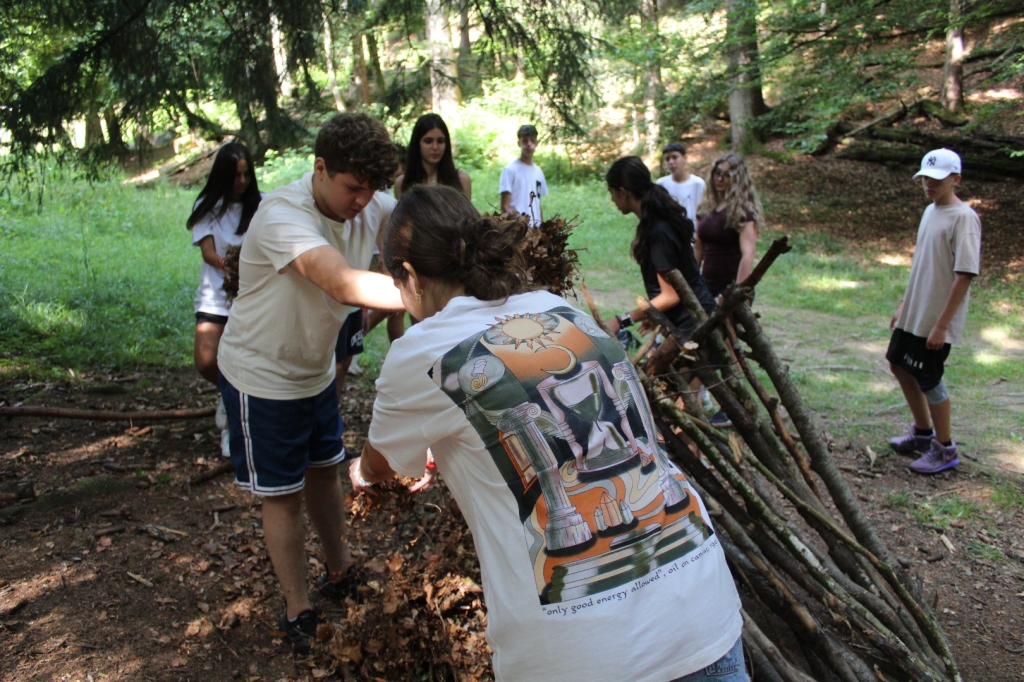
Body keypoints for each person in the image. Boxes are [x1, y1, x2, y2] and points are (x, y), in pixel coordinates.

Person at [350, 185, 746, 682]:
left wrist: (361, 473)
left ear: (407, 274)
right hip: (701, 612)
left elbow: (382, 463)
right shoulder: (560, 309)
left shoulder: (419, 352)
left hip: (585, 656)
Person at [215, 113, 408, 656]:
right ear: (320, 169)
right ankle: (298, 607)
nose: (363, 201)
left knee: (326, 471)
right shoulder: (281, 214)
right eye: (353, 187)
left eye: (373, 188)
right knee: (283, 495)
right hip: (262, 376)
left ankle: (339, 571)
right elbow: (342, 283)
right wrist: (431, 296)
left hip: (315, 371)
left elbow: (419, 223)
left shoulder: (369, 202)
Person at [887, 148, 981, 474]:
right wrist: (904, 305)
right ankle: (923, 434)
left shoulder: (964, 218)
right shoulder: (930, 211)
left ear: (955, 179)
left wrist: (942, 326)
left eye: (936, 179)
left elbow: (965, 274)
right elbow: (922, 265)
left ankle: (945, 448)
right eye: (925, 178)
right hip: (916, 311)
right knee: (898, 363)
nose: (928, 184)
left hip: (936, 319)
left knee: (929, 377)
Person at [187, 142, 261, 456]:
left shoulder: (261, 205)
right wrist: (229, 264)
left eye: (246, 174)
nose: (241, 181)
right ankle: (228, 394)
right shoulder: (207, 205)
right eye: (235, 175)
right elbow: (207, 252)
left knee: (248, 362)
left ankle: (235, 426)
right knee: (206, 361)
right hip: (216, 295)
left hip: (252, 298)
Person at [604, 156, 716, 340]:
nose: (612, 200)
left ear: (623, 192)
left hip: (693, 322)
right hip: (688, 317)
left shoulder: (658, 232)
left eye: (612, 193)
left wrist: (620, 320)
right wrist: (653, 313)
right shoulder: (654, 221)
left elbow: (670, 296)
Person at [694, 152, 762, 299]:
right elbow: (698, 246)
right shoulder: (705, 207)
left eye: (726, 175)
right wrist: (692, 281)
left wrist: (735, 292)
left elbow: (748, 254)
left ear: (737, 179)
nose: (719, 179)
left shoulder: (744, 211)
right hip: (706, 284)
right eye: (717, 173)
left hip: (731, 285)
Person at [394, 113, 472, 199]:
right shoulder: (402, 183)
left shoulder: (462, 180)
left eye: (440, 141)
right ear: (417, 144)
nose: (435, 147)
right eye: (428, 141)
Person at [499, 124, 548, 227]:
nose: (529, 144)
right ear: (519, 143)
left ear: (536, 143)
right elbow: (504, 206)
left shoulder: (538, 172)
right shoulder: (510, 170)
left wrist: (542, 228)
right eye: (525, 141)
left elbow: (537, 204)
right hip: (518, 228)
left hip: (535, 228)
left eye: (532, 140)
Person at [656, 142, 704, 225]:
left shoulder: (698, 184)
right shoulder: (661, 185)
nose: (671, 162)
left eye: (675, 157)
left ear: (685, 158)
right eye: (667, 159)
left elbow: (704, 212)